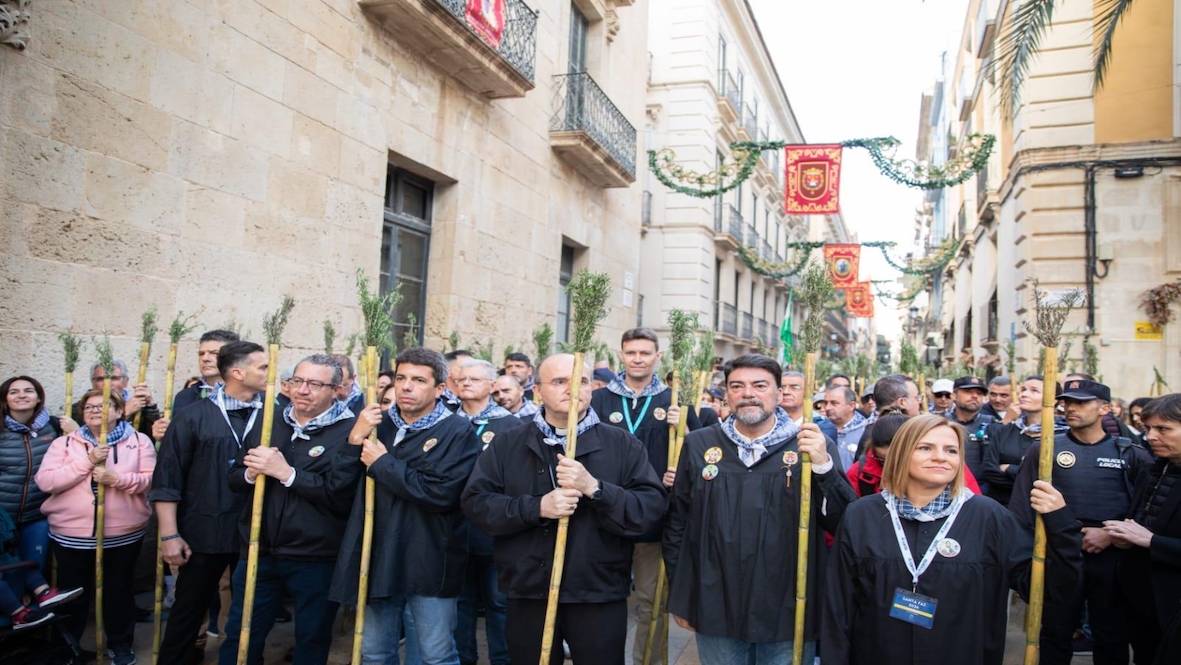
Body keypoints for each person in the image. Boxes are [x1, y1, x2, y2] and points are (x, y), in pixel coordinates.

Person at [823, 414, 1083, 665]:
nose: (940, 457)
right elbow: (839, 606)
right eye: (925, 448)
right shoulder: (862, 515)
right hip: (877, 654)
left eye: (951, 450)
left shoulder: (988, 517)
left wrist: (1060, 523)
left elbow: (1046, 589)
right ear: (900, 453)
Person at [462, 353, 665, 665]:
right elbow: (477, 504)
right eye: (559, 382)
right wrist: (536, 507)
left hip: (598, 591)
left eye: (580, 381)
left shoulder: (623, 444)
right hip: (529, 590)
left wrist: (596, 489)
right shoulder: (508, 443)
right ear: (538, 391)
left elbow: (648, 510)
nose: (572, 390)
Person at [664, 354, 857, 663]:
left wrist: (823, 466)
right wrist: (683, 595)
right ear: (726, 393)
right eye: (737, 386)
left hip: (788, 604)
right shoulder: (700, 444)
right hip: (715, 601)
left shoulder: (809, 445)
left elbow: (843, 521)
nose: (748, 394)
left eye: (760, 385)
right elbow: (678, 524)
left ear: (779, 393)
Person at [330, 347, 479, 665]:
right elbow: (340, 488)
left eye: (418, 380)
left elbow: (443, 494)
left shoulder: (458, 431)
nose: (406, 386)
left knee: (435, 654)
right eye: (401, 378)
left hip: (429, 555)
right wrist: (353, 441)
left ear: (440, 388)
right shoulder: (375, 425)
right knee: (373, 652)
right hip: (378, 553)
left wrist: (383, 464)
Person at [217, 354, 360, 665]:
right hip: (260, 549)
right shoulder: (270, 420)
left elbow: (340, 495)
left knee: (312, 638)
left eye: (314, 384)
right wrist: (250, 474)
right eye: (297, 381)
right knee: (242, 633)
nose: (302, 390)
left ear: (336, 389)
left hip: (317, 556)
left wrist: (287, 473)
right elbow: (233, 478)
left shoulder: (350, 431)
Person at [1009, 378, 1152, 665]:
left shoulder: (1130, 453)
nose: (1070, 408)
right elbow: (1022, 509)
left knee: (1111, 635)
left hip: (1111, 557)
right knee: (1055, 632)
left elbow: (1145, 509)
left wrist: (1110, 535)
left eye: (1081, 402)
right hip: (1057, 556)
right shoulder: (1045, 450)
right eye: (1067, 402)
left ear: (1105, 408)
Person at [151, 340, 268, 665]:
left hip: (256, 532)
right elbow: (167, 479)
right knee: (188, 611)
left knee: (249, 614)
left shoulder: (275, 414)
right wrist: (169, 535)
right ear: (237, 372)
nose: (267, 373)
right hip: (203, 531)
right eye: (262, 367)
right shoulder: (192, 416)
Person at [588, 327, 700, 665]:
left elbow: (700, 456)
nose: (638, 358)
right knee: (602, 597)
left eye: (645, 353)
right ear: (621, 354)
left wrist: (686, 433)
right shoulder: (599, 400)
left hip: (653, 516)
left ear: (657, 356)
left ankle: (646, 661)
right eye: (631, 352)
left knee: (651, 600)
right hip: (602, 516)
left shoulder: (675, 400)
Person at [36, 388, 156, 665]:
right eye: (88, 407)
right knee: (73, 593)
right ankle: (68, 648)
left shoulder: (139, 441)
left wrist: (117, 479)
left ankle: (120, 644)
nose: (94, 411)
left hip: (122, 533)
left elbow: (149, 480)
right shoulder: (65, 444)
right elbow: (46, 481)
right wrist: (87, 462)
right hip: (71, 534)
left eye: (102, 406)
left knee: (119, 591)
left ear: (118, 411)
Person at [451, 359, 521, 665]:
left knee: (498, 603)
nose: (466, 383)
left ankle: (502, 660)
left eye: (474, 379)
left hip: (494, 532)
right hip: (453, 529)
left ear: (491, 385)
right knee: (461, 602)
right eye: (461, 379)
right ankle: (464, 658)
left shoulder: (511, 426)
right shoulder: (446, 422)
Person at [1105, 393, 1181, 664]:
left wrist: (1151, 541)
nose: (1151, 436)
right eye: (1148, 428)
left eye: (1163, 429)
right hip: (1141, 596)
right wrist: (1125, 537)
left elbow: (1151, 537)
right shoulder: (1154, 469)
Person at [1, 376, 63, 579]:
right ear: (5, 399)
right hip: (3, 517)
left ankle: (36, 609)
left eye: (28, 390)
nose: (21, 395)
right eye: (14, 392)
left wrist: (73, 432)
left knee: (34, 567)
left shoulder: (53, 426)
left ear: (38, 398)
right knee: (7, 574)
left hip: (37, 514)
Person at [848, 412, 982, 498]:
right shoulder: (861, 471)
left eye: (951, 450)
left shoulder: (946, 467)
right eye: (883, 460)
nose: (892, 465)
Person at [982, 375, 1066, 506]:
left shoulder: (1062, 435)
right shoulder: (1005, 430)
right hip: (1002, 505)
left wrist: (1009, 468)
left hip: (1041, 508)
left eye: (1034, 391)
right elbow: (989, 470)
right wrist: (1030, 481)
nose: (1024, 394)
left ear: (1053, 399)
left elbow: (1058, 479)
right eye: (1023, 389)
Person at [75, 360, 161, 437]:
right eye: (101, 379)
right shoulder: (79, 408)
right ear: (92, 382)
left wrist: (150, 407)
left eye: (114, 378)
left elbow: (153, 439)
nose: (107, 384)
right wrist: (124, 412)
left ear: (126, 381)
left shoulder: (139, 405)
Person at [944, 376, 993, 496]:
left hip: (981, 491)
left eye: (979, 393)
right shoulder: (940, 423)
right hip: (945, 488)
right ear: (953, 396)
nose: (975, 396)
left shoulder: (992, 424)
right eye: (968, 392)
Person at [172, 330, 241, 413]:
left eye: (214, 353)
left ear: (234, 358)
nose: (205, 359)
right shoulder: (185, 397)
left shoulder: (249, 396)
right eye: (201, 354)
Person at [778, 372, 835, 441]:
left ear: (808, 392)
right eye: (782, 387)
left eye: (795, 387)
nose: (786, 392)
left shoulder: (823, 426)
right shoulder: (765, 424)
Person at [824, 386, 869, 470]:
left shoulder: (865, 431)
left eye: (834, 403)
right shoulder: (820, 428)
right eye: (826, 403)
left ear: (851, 406)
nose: (827, 408)